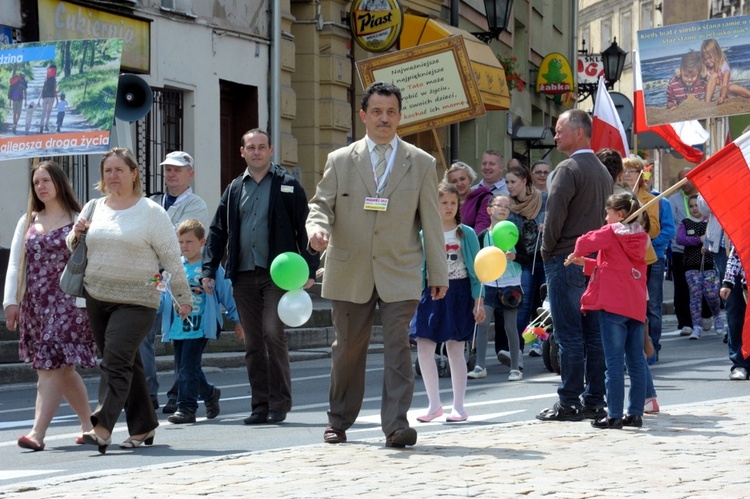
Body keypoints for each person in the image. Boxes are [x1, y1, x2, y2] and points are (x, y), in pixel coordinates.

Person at [306, 81, 448, 448]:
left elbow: (432, 222)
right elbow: (321, 204)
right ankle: (338, 421)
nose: (384, 119)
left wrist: (438, 272)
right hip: (349, 268)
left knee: (398, 347)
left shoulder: (420, 162)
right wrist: (317, 229)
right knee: (348, 349)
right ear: (363, 115)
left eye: (390, 112)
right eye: (377, 112)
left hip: (400, 269)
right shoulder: (340, 160)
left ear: (400, 116)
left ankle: (397, 425)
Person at [68, 147, 192, 454]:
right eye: (107, 171)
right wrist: (76, 232)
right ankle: (144, 425)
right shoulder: (94, 207)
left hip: (139, 299)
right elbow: (74, 246)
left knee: (114, 361)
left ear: (133, 173)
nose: (112, 176)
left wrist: (182, 296)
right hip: (97, 296)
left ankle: (102, 426)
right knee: (129, 364)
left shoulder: (151, 212)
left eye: (119, 170)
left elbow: (171, 258)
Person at [203, 128, 318, 425]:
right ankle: (259, 405)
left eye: (262, 147)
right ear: (242, 152)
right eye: (251, 147)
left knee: (271, 333)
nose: (256, 151)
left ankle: (279, 403)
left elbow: (306, 228)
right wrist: (208, 269)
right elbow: (217, 231)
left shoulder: (288, 185)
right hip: (242, 275)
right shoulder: (233, 189)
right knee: (253, 342)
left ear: (271, 150)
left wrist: (309, 268)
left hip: (277, 276)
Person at [3, 161, 97, 451]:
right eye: (36, 182)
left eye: (46, 180)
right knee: (64, 371)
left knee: (49, 368)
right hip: (36, 304)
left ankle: (37, 433)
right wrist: (10, 301)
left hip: (68, 303)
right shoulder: (28, 220)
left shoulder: (77, 218)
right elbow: (16, 264)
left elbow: (91, 259)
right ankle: (90, 427)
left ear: (59, 182)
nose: (40, 186)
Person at [537, 109, 611, 422]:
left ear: (578, 132)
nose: (555, 136)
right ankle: (594, 400)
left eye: (559, 130)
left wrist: (546, 250)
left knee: (568, 336)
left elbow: (554, 217)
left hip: (566, 257)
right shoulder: (604, 172)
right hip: (594, 263)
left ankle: (568, 402)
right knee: (593, 336)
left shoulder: (568, 168)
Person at [566, 192, 650, 429]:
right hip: (633, 303)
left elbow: (583, 242)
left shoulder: (612, 232)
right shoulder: (639, 236)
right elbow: (621, 267)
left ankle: (613, 414)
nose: (605, 218)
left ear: (620, 214)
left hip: (613, 305)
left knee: (612, 363)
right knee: (635, 362)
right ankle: (634, 413)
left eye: (608, 213)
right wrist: (587, 264)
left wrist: (580, 252)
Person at [412, 182, 484, 422]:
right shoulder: (425, 233)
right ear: (435, 204)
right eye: (444, 202)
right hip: (431, 292)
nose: (449, 207)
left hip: (459, 291)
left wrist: (478, 301)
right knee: (424, 345)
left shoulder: (467, 233)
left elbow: (476, 270)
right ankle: (434, 405)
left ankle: (459, 406)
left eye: (453, 203)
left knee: (455, 347)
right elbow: (418, 266)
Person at [144, 150, 209, 413]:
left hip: (180, 278)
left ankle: (179, 392)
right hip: (151, 276)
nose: (171, 174)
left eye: (177, 170)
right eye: (168, 169)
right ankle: (151, 392)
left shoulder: (196, 205)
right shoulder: (153, 201)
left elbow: (178, 239)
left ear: (189, 174)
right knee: (145, 335)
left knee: (181, 340)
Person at [161, 219, 242, 424]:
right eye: (180, 242)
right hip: (179, 327)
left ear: (202, 241)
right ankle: (210, 393)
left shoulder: (210, 268)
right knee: (186, 368)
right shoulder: (175, 266)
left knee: (187, 367)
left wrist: (239, 320)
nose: (184, 246)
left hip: (200, 327)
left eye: (189, 241)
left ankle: (187, 408)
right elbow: (166, 297)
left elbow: (227, 294)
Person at [469, 194, 524, 381]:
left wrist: (515, 257)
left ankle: (515, 367)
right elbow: (476, 260)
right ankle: (479, 365)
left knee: (510, 326)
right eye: (499, 205)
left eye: (507, 207)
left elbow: (528, 256)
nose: (503, 209)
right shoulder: (483, 235)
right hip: (489, 285)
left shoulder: (515, 233)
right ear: (489, 209)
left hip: (511, 285)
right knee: (482, 324)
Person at [505, 165, 546, 358]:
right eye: (507, 182)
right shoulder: (509, 207)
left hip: (544, 258)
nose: (509, 186)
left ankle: (537, 342)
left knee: (542, 303)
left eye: (513, 182)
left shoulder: (543, 199)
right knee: (524, 304)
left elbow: (556, 220)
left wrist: (547, 227)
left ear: (524, 182)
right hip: (523, 261)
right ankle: (518, 348)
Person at [676, 195, 723, 340]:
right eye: (691, 206)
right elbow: (680, 238)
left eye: (697, 205)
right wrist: (698, 240)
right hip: (691, 266)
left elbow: (716, 238)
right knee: (695, 294)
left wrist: (707, 244)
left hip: (709, 264)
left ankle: (716, 315)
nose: (694, 208)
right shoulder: (686, 222)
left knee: (711, 293)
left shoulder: (710, 222)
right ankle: (696, 326)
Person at [669, 167, 704, 336]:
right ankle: (685, 322)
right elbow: (672, 225)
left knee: (703, 283)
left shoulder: (703, 197)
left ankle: (706, 314)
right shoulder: (673, 200)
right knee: (682, 286)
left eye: (689, 178)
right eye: (682, 179)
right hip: (680, 250)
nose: (686, 182)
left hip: (701, 250)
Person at [720, 246, 750, 380]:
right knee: (738, 319)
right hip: (746, 285)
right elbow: (736, 253)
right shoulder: (745, 229)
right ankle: (740, 364)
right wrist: (728, 282)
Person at [701, 38, 750, 105]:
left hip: (726, 91)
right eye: (705, 59)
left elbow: (724, 85)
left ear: (717, 54)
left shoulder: (724, 66)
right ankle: (707, 103)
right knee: (714, 76)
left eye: (710, 58)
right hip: (714, 93)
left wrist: (723, 96)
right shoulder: (706, 69)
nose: (707, 61)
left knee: (731, 87)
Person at [445, 161, 491, 231]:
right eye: (454, 181)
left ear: (470, 179)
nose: (459, 184)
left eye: (462, 179)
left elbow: (482, 226)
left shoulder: (484, 198)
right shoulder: (446, 202)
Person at [38, 64, 58, 133]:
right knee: (48, 112)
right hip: (51, 98)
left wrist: (39, 99)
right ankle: (46, 125)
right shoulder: (54, 81)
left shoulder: (46, 80)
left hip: (45, 97)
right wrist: (57, 100)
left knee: (43, 112)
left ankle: (41, 126)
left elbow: (42, 90)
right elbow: (54, 91)